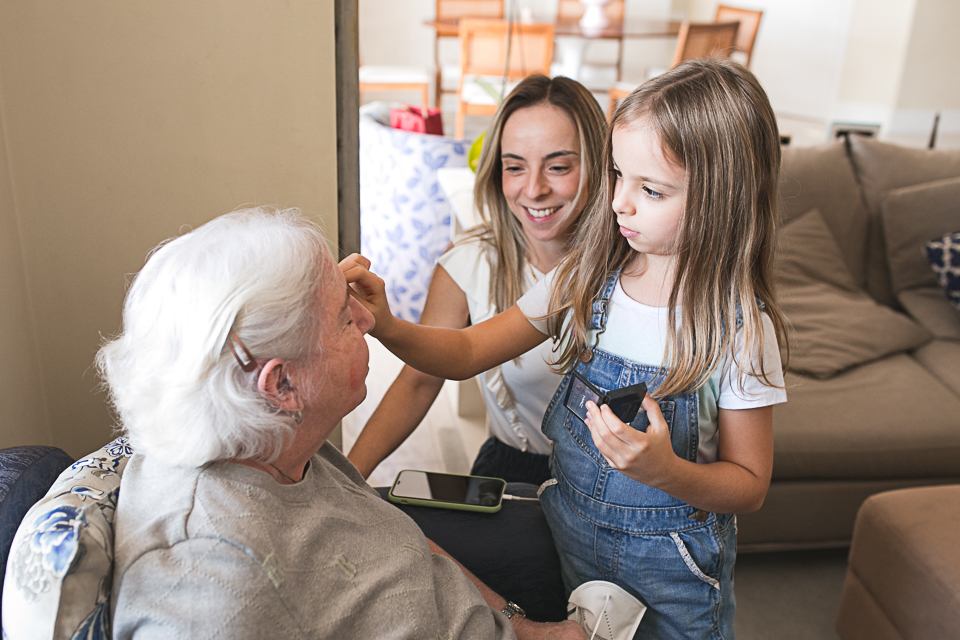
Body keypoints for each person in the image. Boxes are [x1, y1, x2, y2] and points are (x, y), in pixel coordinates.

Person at [343, 59, 790, 640]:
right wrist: (387, 326)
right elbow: (468, 350)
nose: (620, 203)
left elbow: (750, 485)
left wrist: (667, 471)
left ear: (720, 197)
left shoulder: (739, 329)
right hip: (570, 540)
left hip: (671, 576)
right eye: (617, 176)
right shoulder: (585, 276)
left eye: (650, 189)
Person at [100, 208, 586, 639]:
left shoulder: (282, 440)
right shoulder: (214, 595)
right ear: (282, 385)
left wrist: (519, 626)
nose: (367, 319)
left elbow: (395, 540)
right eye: (342, 317)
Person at [347, 74, 606, 485]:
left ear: (599, 166)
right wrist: (349, 479)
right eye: (515, 167)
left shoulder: (635, 262)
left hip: (626, 483)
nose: (534, 189)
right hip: (518, 471)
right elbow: (419, 380)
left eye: (558, 167)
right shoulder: (470, 262)